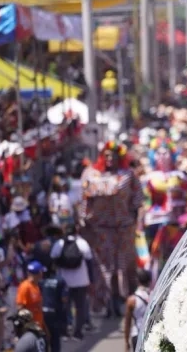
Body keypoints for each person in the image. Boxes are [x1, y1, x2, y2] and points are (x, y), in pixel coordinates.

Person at [78, 141, 141, 316]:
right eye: (106, 155)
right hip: (101, 229)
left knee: (124, 265)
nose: (110, 158)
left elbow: (137, 197)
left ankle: (126, 300)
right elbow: (85, 199)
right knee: (104, 268)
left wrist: (134, 218)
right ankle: (105, 302)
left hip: (124, 228)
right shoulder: (91, 174)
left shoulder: (128, 174)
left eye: (113, 155)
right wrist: (84, 219)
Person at [50, 224, 93, 340]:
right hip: (81, 281)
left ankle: (64, 332)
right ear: (76, 232)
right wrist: (91, 279)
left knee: (64, 307)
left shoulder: (59, 244)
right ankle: (78, 332)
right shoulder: (82, 243)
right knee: (80, 308)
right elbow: (89, 260)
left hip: (64, 282)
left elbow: (52, 257)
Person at [40, 265, 68, 352]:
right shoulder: (61, 280)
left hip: (43, 313)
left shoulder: (41, 281)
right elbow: (64, 299)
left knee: (44, 338)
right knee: (55, 338)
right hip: (55, 313)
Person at [124, 268, 152, 352]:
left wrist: (126, 341)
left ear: (138, 281)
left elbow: (127, 323)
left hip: (137, 335)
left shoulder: (132, 300)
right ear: (149, 281)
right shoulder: (154, 295)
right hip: (152, 334)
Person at [16, 261, 46, 331]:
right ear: (39, 273)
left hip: (38, 325)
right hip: (29, 328)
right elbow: (20, 308)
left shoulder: (36, 286)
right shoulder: (25, 287)